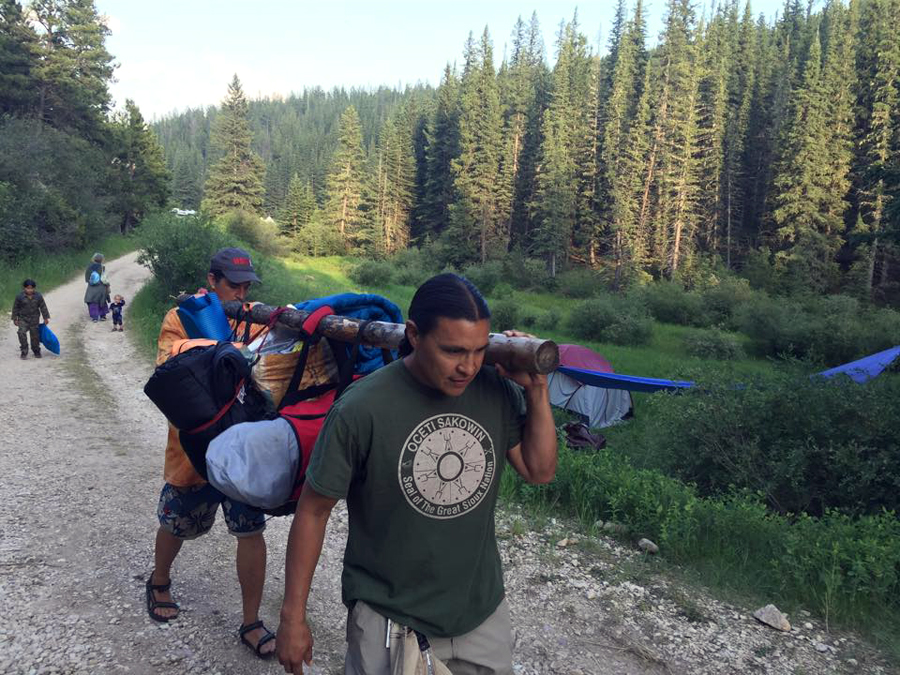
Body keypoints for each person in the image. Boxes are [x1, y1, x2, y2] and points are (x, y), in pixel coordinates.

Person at [277, 273, 558, 675]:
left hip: (480, 612)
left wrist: (537, 389)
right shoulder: (362, 409)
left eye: (480, 350)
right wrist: (293, 617)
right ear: (413, 335)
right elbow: (314, 511)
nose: (469, 366)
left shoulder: (493, 392)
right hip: (390, 617)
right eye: (453, 351)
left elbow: (540, 470)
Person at [145, 247, 278, 660]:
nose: (240, 292)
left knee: (250, 530)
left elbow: (279, 352)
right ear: (213, 280)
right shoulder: (182, 317)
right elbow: (169, 363)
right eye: (232, 284)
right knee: (176, 521)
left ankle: (251, 620)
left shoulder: (256, 316)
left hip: (244, 447)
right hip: (195, 448)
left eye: (245, 285)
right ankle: (160, 580)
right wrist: (225, 351)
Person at [11, 279, 50, 360]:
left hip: (34, 319)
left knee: (35, 336)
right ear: (24, 288)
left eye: (31, 288)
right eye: (28, 288)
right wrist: (15, 318)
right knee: (21, 333)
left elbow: (43, 307)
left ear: (34, 288)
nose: (30, 290)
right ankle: (24, 351)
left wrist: (46, 318)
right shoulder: (19, 297)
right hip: (23, 319)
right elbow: (15, 308)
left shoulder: (38, 296)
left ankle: (36, 350)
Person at [84, 252, 109, 322]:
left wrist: (91, 281)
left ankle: (95, 317)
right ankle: (103, 316)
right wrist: (107, 285)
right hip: (101, 286)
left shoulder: (89, 267)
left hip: (92, 287)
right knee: (102, 300)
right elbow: (105, 278)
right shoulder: (103, 267)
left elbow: (87, 279)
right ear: (102, 260)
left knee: (92, 301)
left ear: (94, 259)